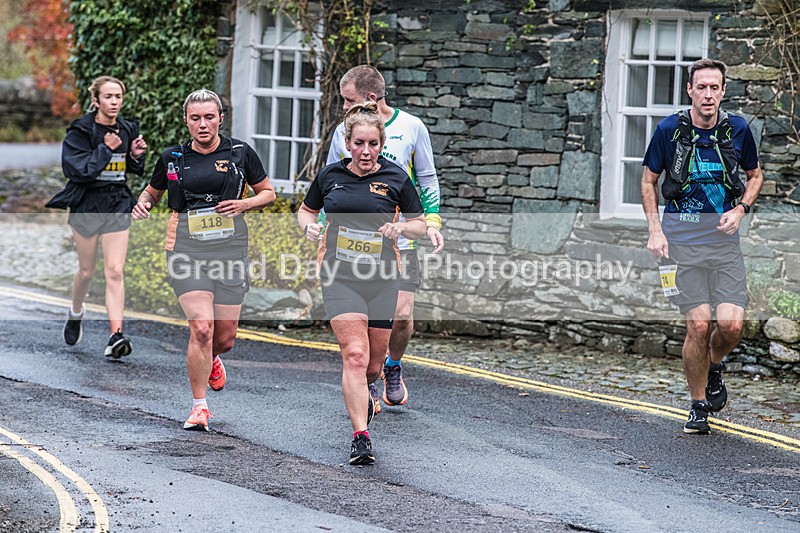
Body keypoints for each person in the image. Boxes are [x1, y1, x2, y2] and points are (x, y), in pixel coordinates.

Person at [132, 89, 275, 431]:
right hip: (186, 250)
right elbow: (152, 192)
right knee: (201, 327)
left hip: (230, 251)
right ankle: (199, 407)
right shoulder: (173, 157)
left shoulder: (240, 153)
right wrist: (143, 204)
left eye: (209, 117)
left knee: (223, 339)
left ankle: (212, 358)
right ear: (186, 121)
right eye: (195, 118)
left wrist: (244, 204)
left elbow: (268, 193)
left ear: (220, 119)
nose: (203, 124)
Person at [298, 101, 426, 464]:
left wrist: (402, 228)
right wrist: (308, 227)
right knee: (354, 355)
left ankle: (369, 388)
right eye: (359, 143)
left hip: (382, 278)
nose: (366, 151)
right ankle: (360, 437)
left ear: (381, 144)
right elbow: (307, 210)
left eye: (373, 144)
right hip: (339, 276)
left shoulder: (396, 178)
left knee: (371, 365)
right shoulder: (330, 176)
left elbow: (419, 223)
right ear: (347, 143)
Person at [641, 59, 764, 435]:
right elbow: (648, 181)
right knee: (698, 325)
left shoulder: (737, 129)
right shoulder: (669, 130)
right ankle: (698, 405)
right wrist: (655, 231)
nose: (707, 94)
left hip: (724, 244)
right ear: (690, 90)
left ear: (723, 91)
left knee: (731, 326)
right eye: (701, 87)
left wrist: (741, 210)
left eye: (714, 87)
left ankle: (713, 362)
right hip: (681, 244)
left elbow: (755, 176)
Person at [326, 65, 444, 413]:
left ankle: (392, 365)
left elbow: (427, 178)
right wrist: (319, 228)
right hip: (353, 247)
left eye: (348, 100)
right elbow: (328, 182)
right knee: (364, 323)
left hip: (401, 242)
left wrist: (431, 221)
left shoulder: (412, 127)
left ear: (371, 98)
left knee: (402, 315)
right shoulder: (343, 132)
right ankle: (368, 381)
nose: (343, 107)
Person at [46, 75, 148, 358]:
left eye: (118, 97)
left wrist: (135, 156)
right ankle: (76, 311)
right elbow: (77, 171)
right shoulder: (80, 130)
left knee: (114, 270)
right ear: (96, 100)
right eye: (108, 97)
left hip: (117, 202)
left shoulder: (127, 129)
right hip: (88, 204)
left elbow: (128, 168)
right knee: (87, 271)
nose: (114, 102)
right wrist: (106, 148)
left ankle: (116, 335)